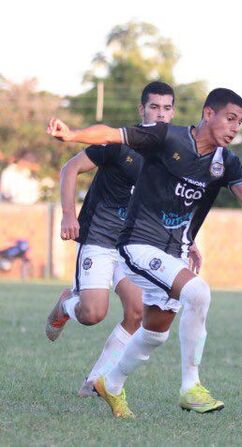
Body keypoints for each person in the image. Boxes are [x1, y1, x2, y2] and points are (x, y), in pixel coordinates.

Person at [47, 88, 242, 418]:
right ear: (208, 114)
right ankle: (190, 387)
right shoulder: (167, 137)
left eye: (240, 122)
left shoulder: (225, 162)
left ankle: (111, 382)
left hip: (173, 254)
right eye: (230, 118)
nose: (235, 127)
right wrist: (73, 135)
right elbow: (110, 134)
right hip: (136, 244)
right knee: (198, 292)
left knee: (154, 332)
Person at [44, 81, 194, 398]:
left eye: (167, 108)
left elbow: (170, 205)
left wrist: (189, 240)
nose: (161, 114)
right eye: (154, 107)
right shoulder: (119, 143)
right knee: (92, 314)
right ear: (142, 110)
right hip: (99, 235)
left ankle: (95, 381)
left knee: (138, 312)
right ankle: (66, 305)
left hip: (133, 244)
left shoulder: (174, 157)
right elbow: (70, 169)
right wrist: (69, 214)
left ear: (173, 112)